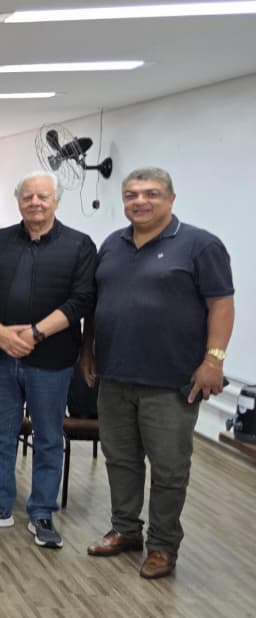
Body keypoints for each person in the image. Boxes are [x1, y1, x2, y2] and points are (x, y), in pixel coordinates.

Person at [80, 167, 234, 579]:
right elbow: (98, 303)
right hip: (114, 375)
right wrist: (87, 348)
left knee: (168, 469)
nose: (139, 201)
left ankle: (163, 546)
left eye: (150, 193)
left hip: (171, 382)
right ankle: (126, 530)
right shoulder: (112, 244)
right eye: (131, 195)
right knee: (120, 459)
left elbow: (221, 303)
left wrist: (214, 360)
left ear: (171, 198)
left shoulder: (200, 245)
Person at [0, 171, 96, 550]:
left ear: (55, 200)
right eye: (28, 196)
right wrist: (1, 333)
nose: (35, 202)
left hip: (51, 360)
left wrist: (34, 333)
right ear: (19, 201)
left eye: (42, 196)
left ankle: (41, 512)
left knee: (48, 438)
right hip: (1, 357)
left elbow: (81, 301)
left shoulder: (79, 245)